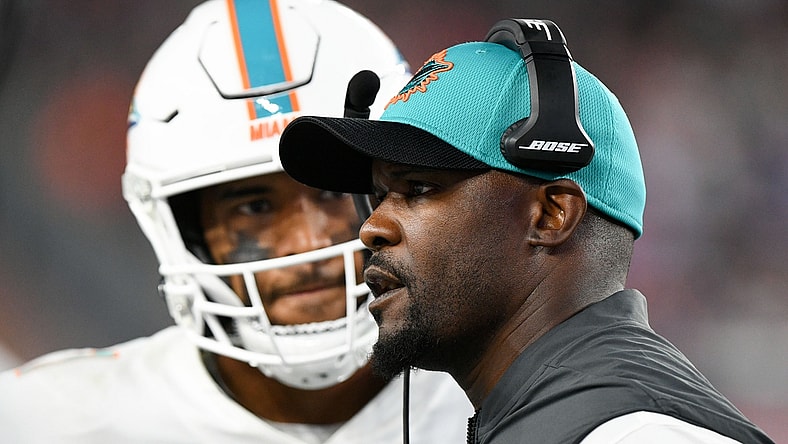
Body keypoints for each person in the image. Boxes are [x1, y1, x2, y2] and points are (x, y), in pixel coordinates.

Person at [277, 18, 776, 444]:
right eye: (380, 195)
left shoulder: (636, 433)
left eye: (420, 188)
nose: (371, 227)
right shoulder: (564, 415)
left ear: (551, 215)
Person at [0, 1, 472, 442]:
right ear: (186, 229)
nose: (308, 243)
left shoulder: (508, 393)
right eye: (255, 206)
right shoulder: (42, 421)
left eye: (334, 191)